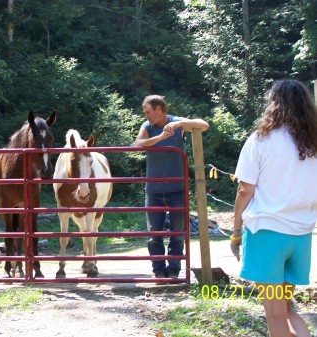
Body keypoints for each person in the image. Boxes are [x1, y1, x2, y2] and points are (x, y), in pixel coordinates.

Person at [230, 79, 317, 337]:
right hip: (301, 235)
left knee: (275, 316)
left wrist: (235, 231)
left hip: (267, 235)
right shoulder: (313, 143)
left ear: (273, 105)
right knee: (286, 308)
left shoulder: (260, 140)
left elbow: (245, 190)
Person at [134, 95, 209, 279]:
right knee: (154, 233)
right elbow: (137, 144)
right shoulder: (147, 127)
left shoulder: (176, 122)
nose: (147, 116)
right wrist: (161, 137)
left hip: (177, 188)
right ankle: (159, 271)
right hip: (154, 190)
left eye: (148, 112)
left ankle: (174, 271)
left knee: (177, 232)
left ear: (159, 109)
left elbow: (204, 124)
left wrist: (179, 125)